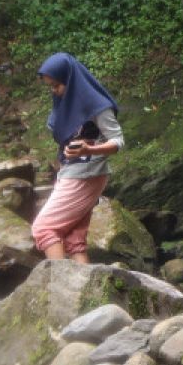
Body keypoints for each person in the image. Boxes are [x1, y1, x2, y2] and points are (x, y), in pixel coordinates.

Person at [32, 52, 124, 262]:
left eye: (56, 85)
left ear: (70, 80)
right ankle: (85, 292)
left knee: (44, 228)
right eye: (50, 87)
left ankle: (61, 287)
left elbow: (118, 141)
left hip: (85, 175)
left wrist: (88, 150)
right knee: (75, 241)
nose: (54, 91)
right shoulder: (66, 103)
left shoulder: (97, 105)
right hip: (74, 172)